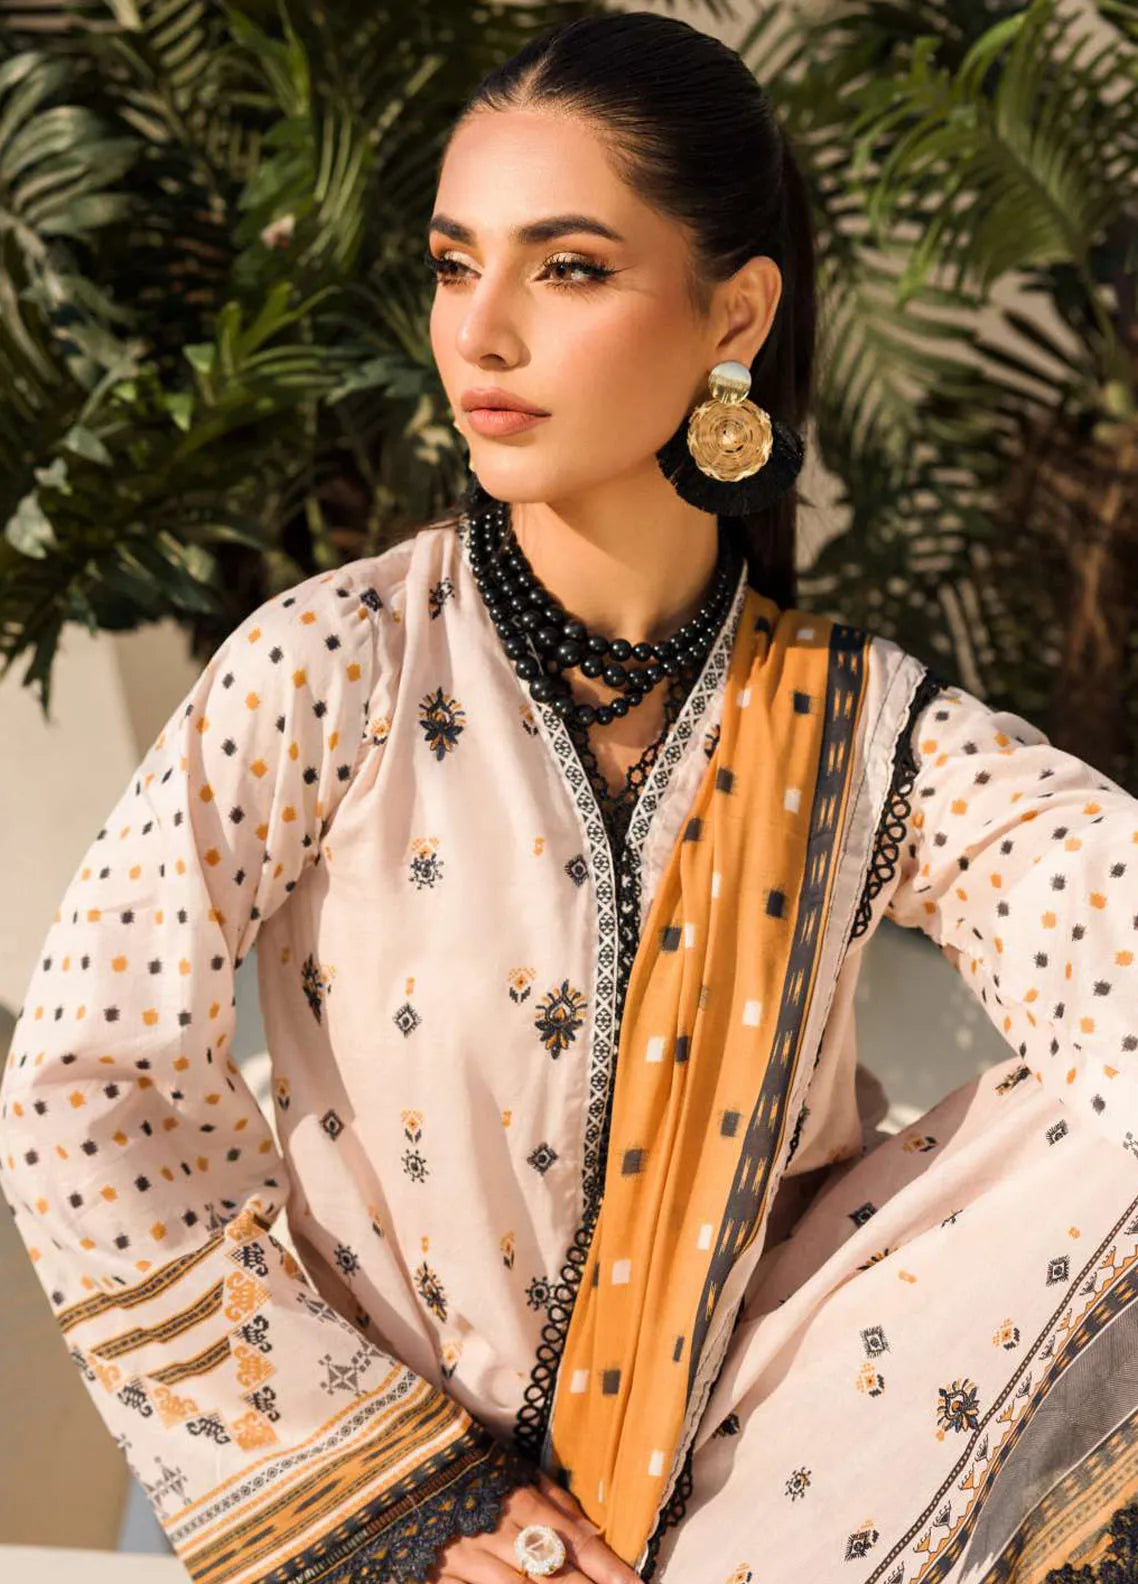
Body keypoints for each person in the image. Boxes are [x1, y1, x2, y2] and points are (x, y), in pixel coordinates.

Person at [3, 11, 1137, 1584]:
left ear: (734, 313)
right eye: (453, 263)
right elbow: (88, 1091)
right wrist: (409, 1514)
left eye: (569, 268)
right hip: (398, 1516)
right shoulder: (335, 666)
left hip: (769, 1509)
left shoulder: (865, 735)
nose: (479, 333)